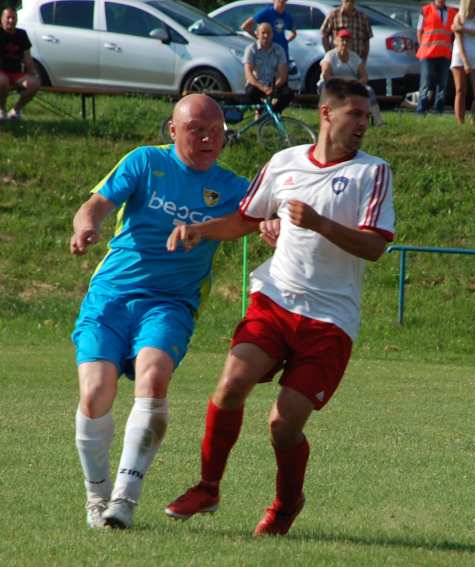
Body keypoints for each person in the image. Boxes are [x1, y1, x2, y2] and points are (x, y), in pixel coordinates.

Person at [163, 78, 395, 537]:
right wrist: (201, 230)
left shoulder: (374, 173)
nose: (363, 125)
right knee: (230, 385)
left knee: (282, 425)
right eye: (355, 115)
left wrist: (320, 223)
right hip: (275, 298)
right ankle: (208, 487)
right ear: (327, 114)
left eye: (367, 117)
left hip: (330, 321)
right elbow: (247, 219)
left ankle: (287, 504)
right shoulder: (284, 163)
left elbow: (373, 248)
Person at [69, 94, 249, 530]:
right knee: (95, 394)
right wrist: (86, 224)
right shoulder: (146, 162)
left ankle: (124, 501)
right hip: (111, 295)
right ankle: (96, 496)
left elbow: (252, 220)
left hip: (170, 303)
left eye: (216, 129)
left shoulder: (233, 187)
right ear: (173, 131)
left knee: (153, 376)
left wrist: (269, 225)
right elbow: (95, 203)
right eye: (196, 129)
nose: (208, 137)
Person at [0, 7, 40, 121]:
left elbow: (28, 60)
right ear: (2, 19)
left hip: (16, 73)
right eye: (8, 18)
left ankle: (15, 110)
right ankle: (2, 110)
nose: (11, 20)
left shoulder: (22, 34)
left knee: (34, 84)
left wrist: (34, 74)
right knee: (4, 82)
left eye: (13, 18)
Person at [319, 29, 384, 125]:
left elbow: (364, 76)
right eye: (342, 39)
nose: (344, 42)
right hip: (333, 84)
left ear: (351, 43)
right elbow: (325, 75)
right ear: (336, 41)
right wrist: (341, 83)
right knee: (323, 86)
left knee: (369, 90)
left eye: (347, 40)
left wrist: (357, 83)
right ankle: (327, 118)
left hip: (350, 84)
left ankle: (379, 121)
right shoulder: (330, 56)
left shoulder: (355, 57)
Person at [414, 0, 458, 114]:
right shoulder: (426, 10)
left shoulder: (452, 12)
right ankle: (421, 110)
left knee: (442, 84)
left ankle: (438, 110)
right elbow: (419, 31)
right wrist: (422, 46)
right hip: (427, 53)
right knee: (426, 83)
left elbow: (453, 33)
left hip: (444, 53)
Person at [244, 22, 294, 114]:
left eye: (269, 33)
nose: (266, 36)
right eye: (263, 33)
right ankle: (260, 112)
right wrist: (263, 88)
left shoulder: (279, 50)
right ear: (257, 34)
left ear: (272, 34)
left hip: (274, 84)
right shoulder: (251, 49)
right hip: (257, 84)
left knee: (288, 93)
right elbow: (248, 74)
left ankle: (274, 113)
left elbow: (283, 75)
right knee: (249, 93)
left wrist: (273, 87)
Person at [450, 0, 475, 124]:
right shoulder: (458, 16)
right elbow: (459, 41)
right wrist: (465, 62)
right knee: (460, 89)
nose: (474, 5)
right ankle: (460, 122)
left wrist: (464, 29)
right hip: (460, 56)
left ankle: (474, 121)